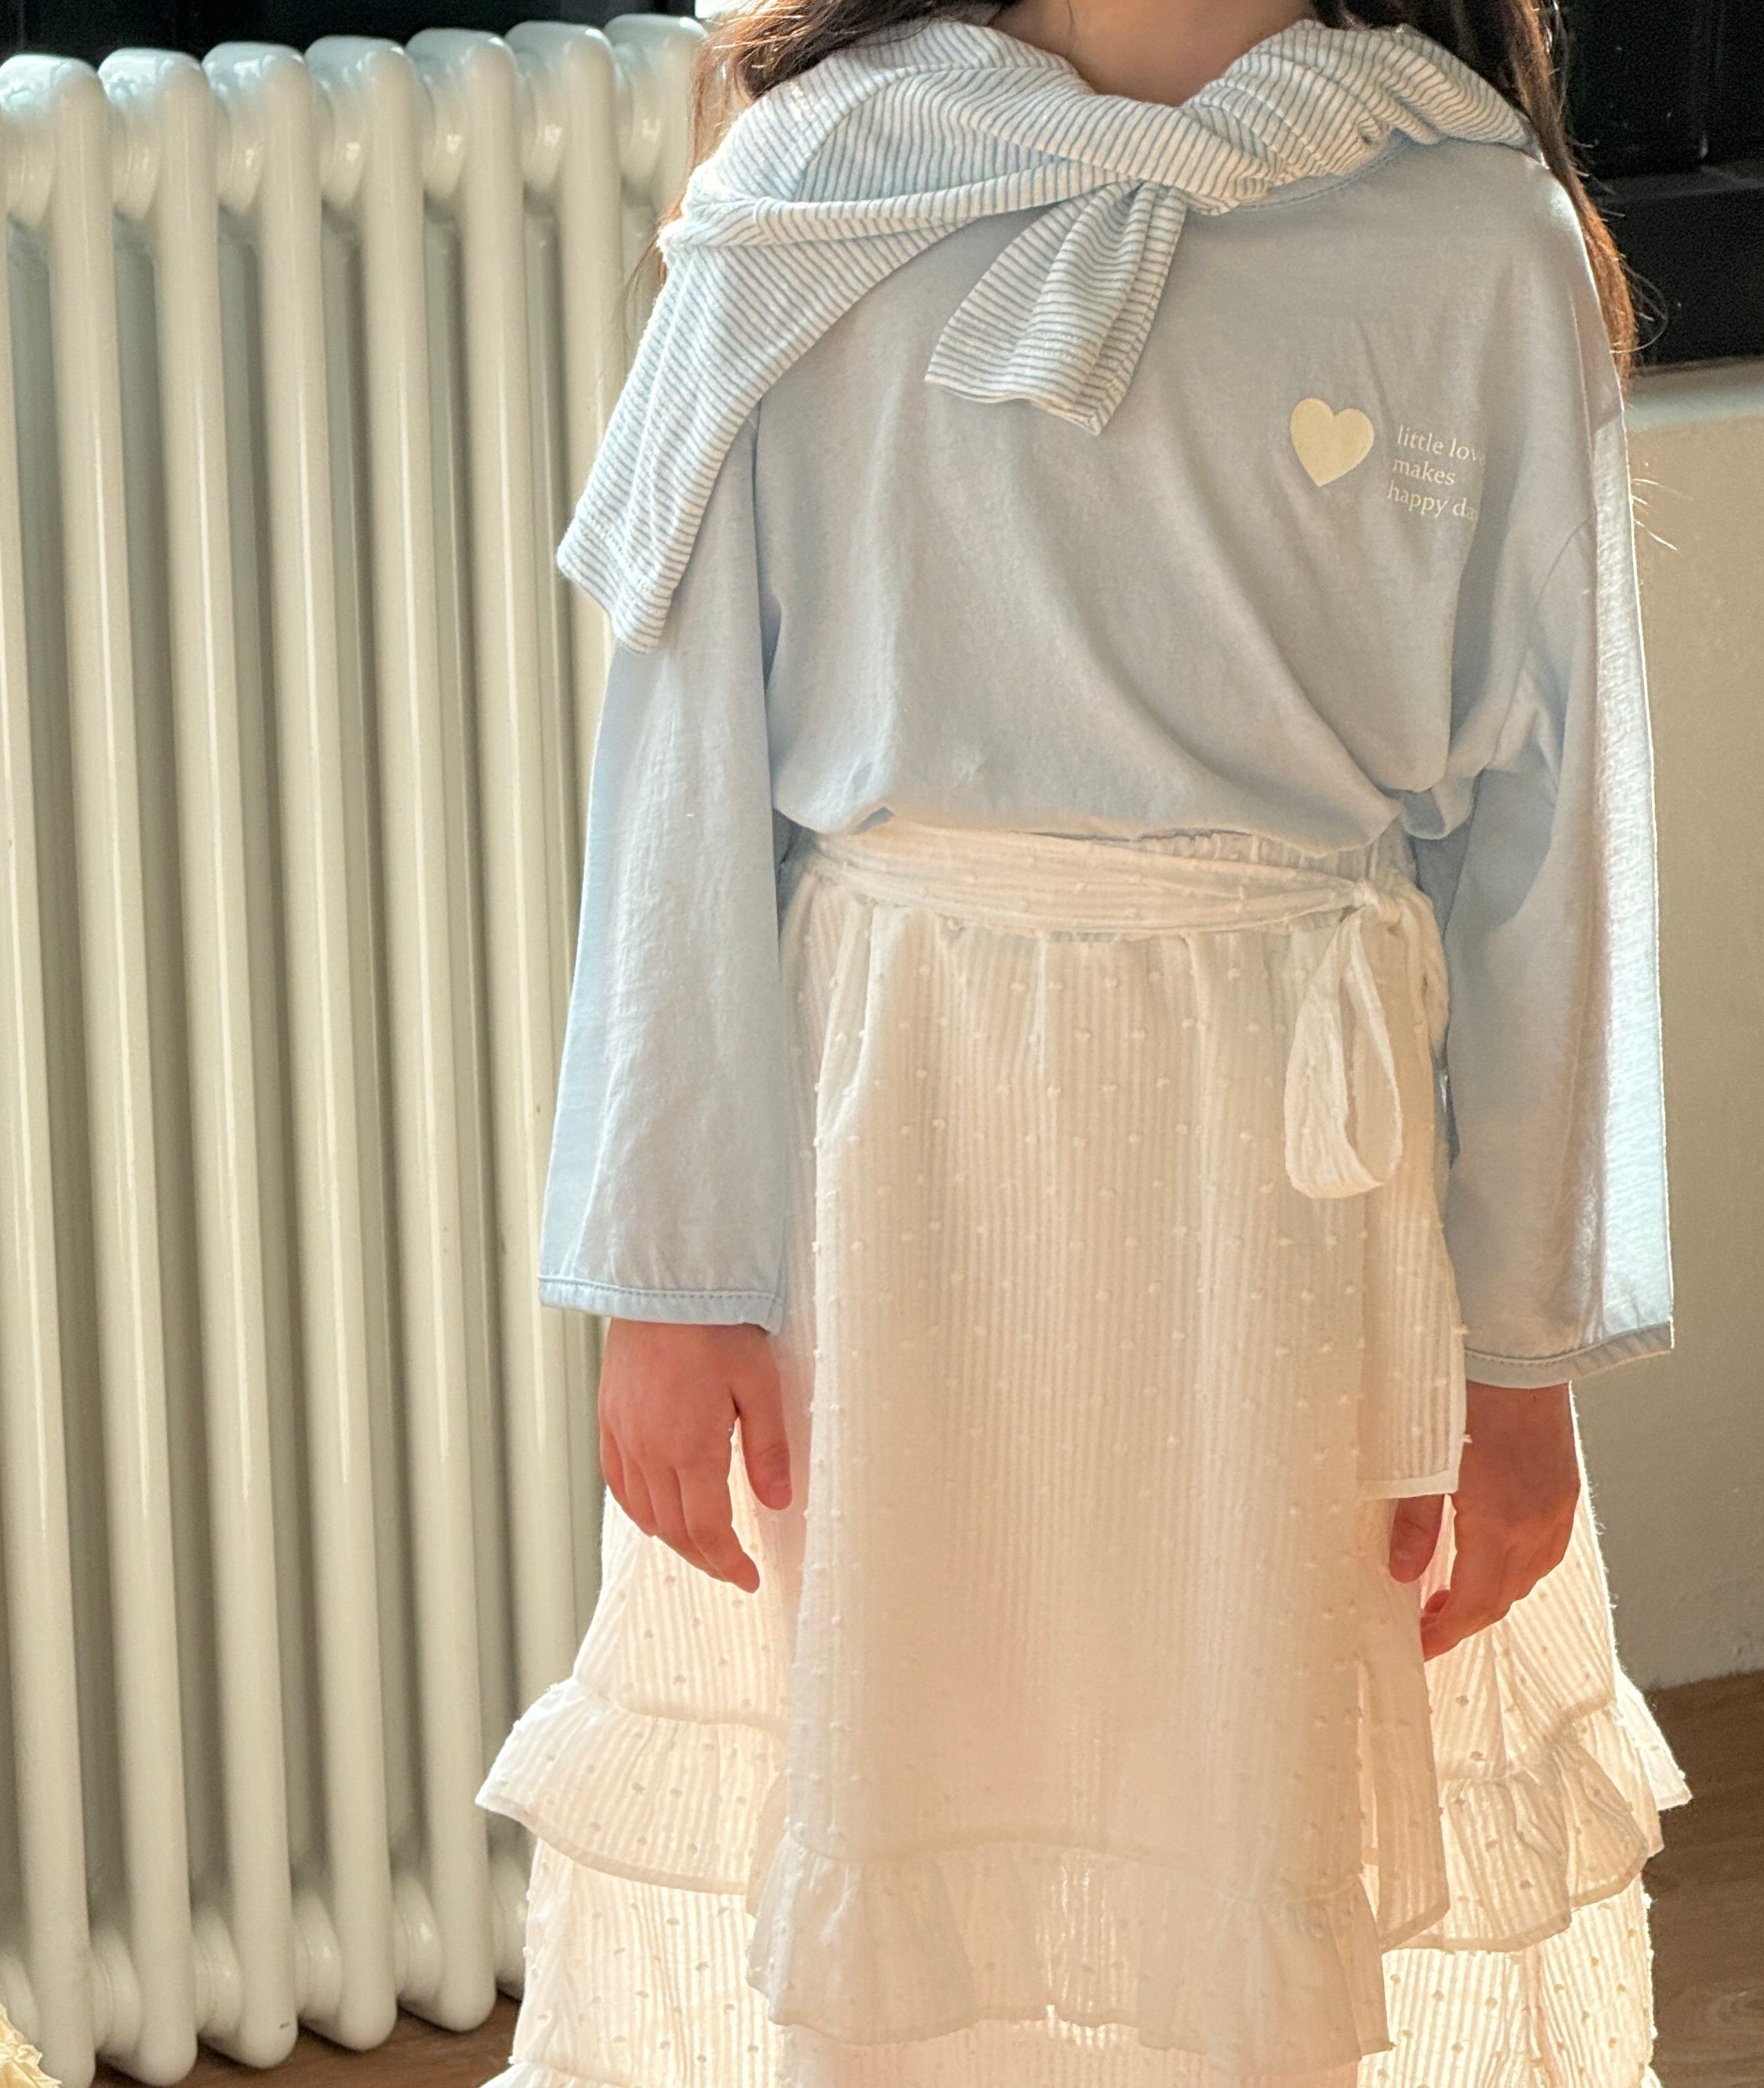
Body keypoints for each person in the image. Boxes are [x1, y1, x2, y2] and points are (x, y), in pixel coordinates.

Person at [477, 0, 1692, 2081]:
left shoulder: (1474, 237)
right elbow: (681, 761)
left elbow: (1549, 849)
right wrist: (666, 1279)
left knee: (1251, 1809)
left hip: (1288, 1209)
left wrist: (1522, 1355)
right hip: (899, 1165)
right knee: (908, 1778)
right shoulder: (815, 195)